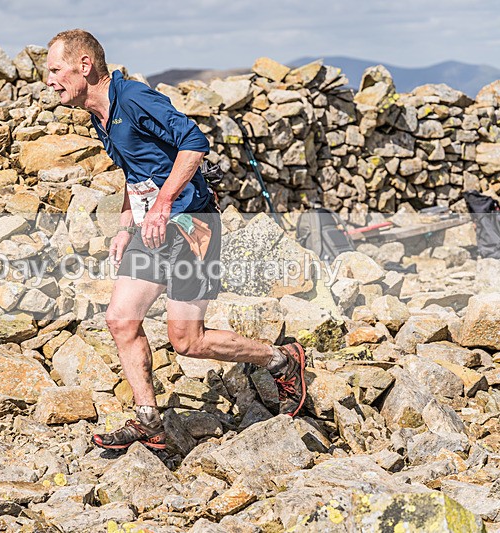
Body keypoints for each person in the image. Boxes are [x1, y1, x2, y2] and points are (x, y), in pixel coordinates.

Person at [46, 29, 307, 451]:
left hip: (192, 225)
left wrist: (165, 202)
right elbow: (137, 173)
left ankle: (281, 359)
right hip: (152, 229)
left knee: (188, 341)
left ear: (85, 65)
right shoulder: (98, 114)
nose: (49, 80)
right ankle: (149, 420)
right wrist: (125, 226)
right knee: (121, 319)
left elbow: (194, 142)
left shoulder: (134, 99)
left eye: (56, 70)